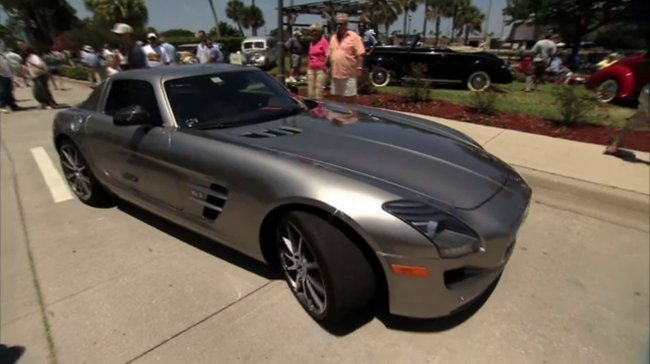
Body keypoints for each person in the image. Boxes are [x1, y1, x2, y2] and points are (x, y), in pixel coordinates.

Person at [327, 13, 366, 103]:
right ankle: (339, 116)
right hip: (335, 74)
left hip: (349, 74)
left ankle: (351, 116)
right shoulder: (333, 37)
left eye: (341, 23)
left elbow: (361, 53)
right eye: (337, 23)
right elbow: (329, 54)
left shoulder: (354, 36)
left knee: (350, 99)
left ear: (346, 24)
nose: (339, 26)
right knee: (337, 99)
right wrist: (327, 66)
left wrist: (359, 67)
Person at [605, 83, 650, 155]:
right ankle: (615, 145)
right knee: (636, 121)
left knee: (635, 122)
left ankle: (615, 144)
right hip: (648, 95)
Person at [307, 23, 329, 99]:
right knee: (310, 90)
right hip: (311, 68)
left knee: (318, 91)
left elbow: (327, 54)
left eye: (315, 31)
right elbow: (310, 55)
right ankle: (311, 107)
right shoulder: (311, 42)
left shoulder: (324, 41)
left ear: (320, 32)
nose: (313, 33)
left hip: (321, 69)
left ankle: (319, 108)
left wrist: (325, 65)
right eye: (312, 31)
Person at [0, 42, 20, 112]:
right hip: (2, 75)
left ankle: (12, 104)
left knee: (9, 91)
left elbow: (8, 64)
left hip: (7, 74)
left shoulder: (3, 55)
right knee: (3, 91)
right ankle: (4, 105)